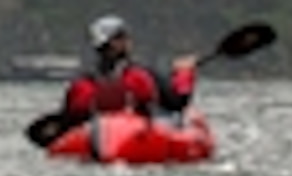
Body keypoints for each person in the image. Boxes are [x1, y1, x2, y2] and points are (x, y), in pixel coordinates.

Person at [59, 15, 197, 125]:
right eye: (122, 37)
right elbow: (177, 102)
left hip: (104, 135)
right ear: (112, 43)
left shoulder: (81, 84)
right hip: (134, 136)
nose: (128, 41)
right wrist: (184, 74)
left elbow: (67, 118)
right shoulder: (141, 76)